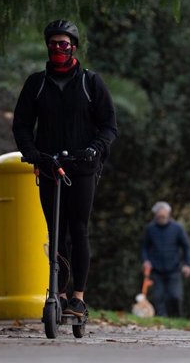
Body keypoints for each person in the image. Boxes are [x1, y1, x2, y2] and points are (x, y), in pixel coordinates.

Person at [12, 20, 117, 317]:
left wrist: (94, 149)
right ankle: (57, 294)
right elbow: (21, 124)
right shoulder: (37, 83)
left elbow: (109, 126)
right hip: (48, 166)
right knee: (56, 231)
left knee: (79, 229)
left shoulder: (90, 82)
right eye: (53, 43)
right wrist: (32, 153)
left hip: (82, 169)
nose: (58, 48)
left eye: (64, 43)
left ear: (73, 46)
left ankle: (78, 298)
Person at [141, 201, 190, 317]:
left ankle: (177, 318)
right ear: (155, 216)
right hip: (156, 269)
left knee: (175, 296)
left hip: (174, 269)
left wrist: (188, 264)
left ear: (169, 215)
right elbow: (144, 247)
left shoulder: (177, 228)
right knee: (158, 297)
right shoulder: (150, 229)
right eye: (159, 217)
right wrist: (146, 260)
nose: (161, 219)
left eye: (163, 217)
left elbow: (187, 247)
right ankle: (161, 320)